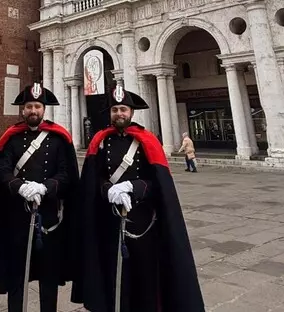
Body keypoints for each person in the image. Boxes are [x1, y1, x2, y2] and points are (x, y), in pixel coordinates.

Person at [72, 84, 204, 312]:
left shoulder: (146, 140)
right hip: (110, 223)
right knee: (113, 276)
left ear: (131, 112)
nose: (119, 114)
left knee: (145, 278)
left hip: (143, 225)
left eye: (123, 109)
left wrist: (132, 186)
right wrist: (107, 189)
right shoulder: (101, 141)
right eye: (115, 110)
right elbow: (94, 178)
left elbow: (158, 184)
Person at [0, 83, 80, 312]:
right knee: (16, 274)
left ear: (44, 109)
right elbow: (2, 170)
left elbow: (65, 173)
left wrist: (45, 187)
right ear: (23, 110)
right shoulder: (12, 138)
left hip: (49, 217)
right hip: (17, 217)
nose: (33, 111)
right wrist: (20, 187)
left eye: (37, 107)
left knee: (49, 275)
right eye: (29, 106)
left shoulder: (58, 139)